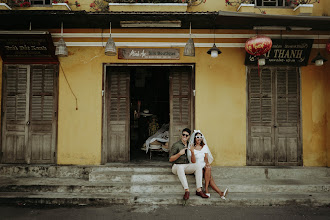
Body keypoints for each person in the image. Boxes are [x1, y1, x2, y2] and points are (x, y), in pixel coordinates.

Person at [169, 128, 209, 201]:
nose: (184, 136)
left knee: (198, 165)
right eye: (183, 134)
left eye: (186, 135)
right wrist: (179, 154)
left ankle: (199, 190)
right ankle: (187, 190)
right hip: (176, 167)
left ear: (189, 136)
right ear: (181, 135)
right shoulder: (176, 145)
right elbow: (170, 159)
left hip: (186, 166)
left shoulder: (190, 145)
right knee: (180, 167)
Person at [187, 130, 228, 200]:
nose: (199, 138)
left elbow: (206, 158)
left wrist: (207, 163)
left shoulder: (204, 146)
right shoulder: (191, 147)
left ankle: (206, 190)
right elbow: (193, 161)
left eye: (200, 137)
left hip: (203, 165)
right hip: (196, 166)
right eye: (197, 137)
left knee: (208, 168)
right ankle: (220, 193)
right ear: (194, 138)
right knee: (210, 178)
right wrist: (192, 152)